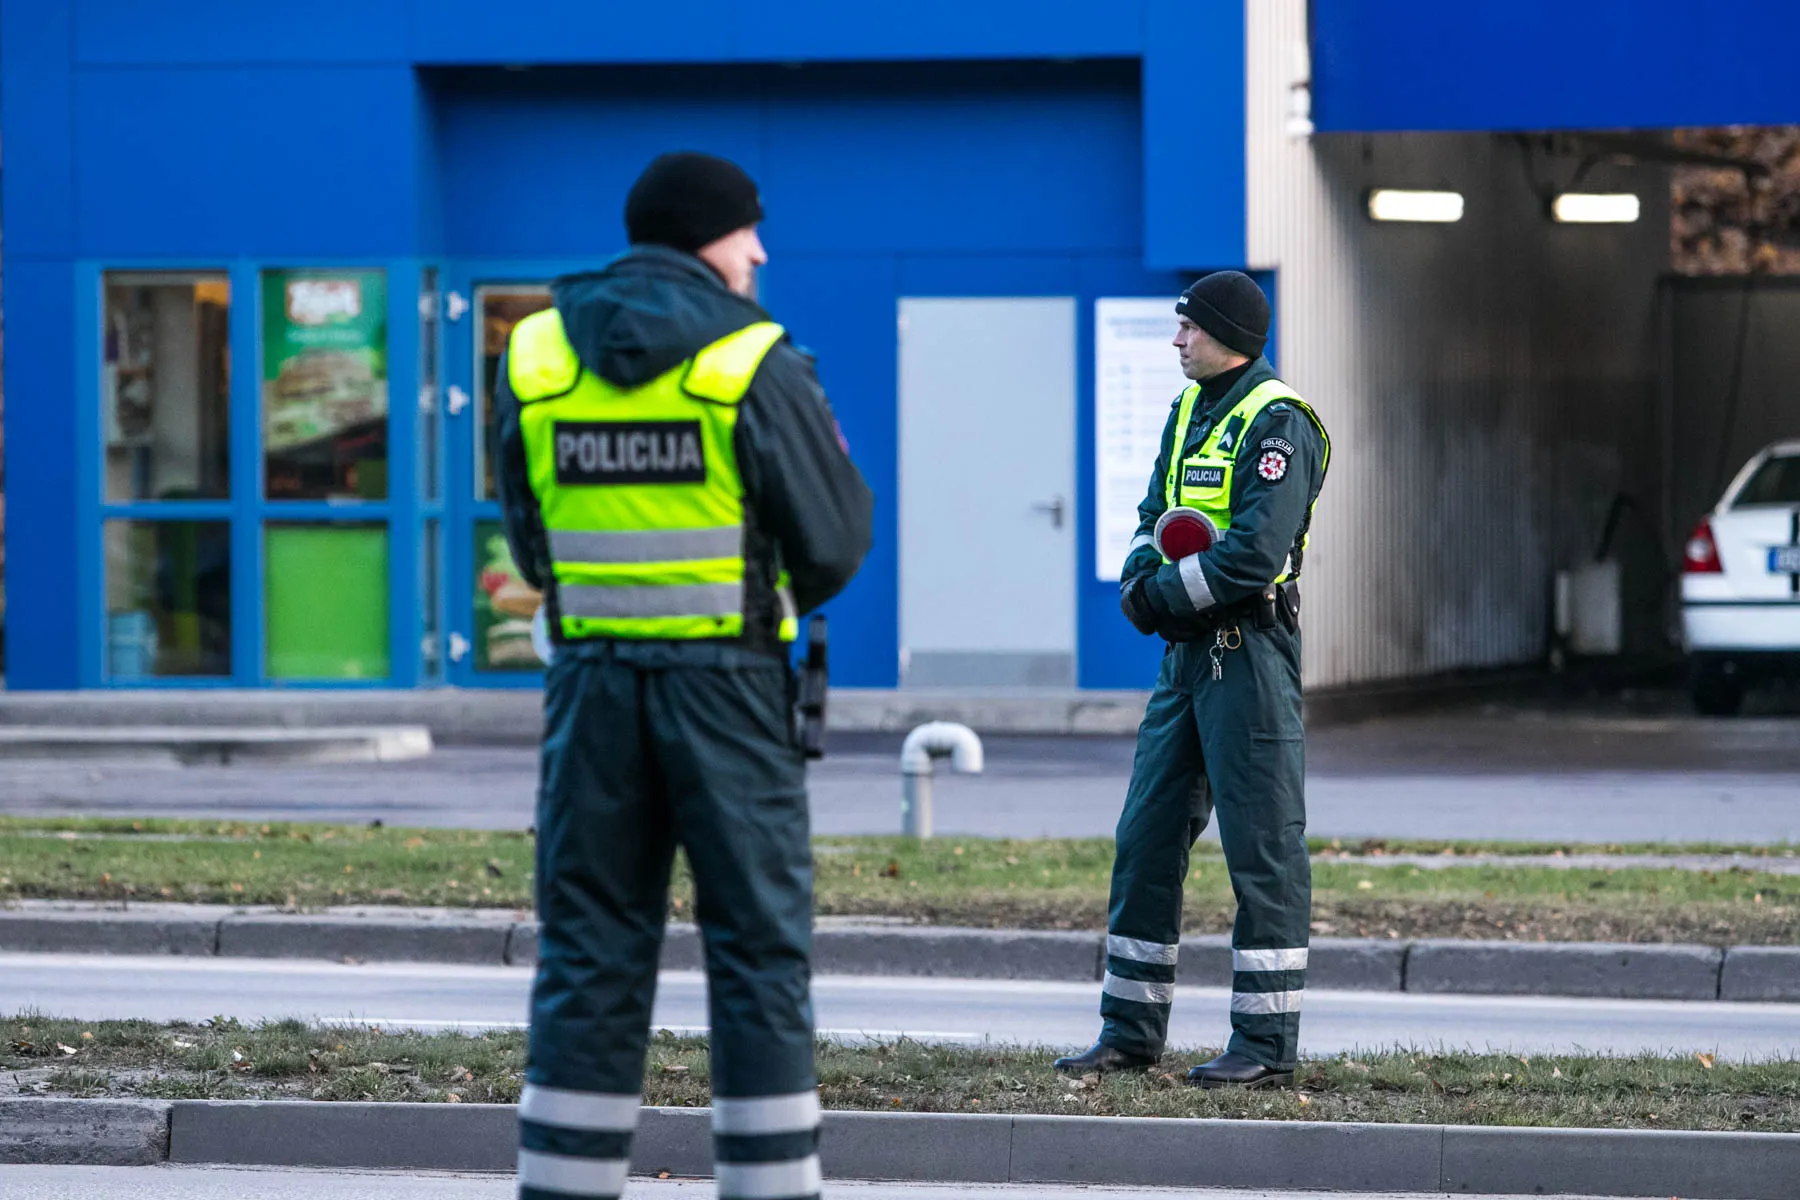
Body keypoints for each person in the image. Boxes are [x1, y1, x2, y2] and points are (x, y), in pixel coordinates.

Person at [494, 151, 874, 1200]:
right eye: (749, 229)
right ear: (709, 235)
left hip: (590, 691)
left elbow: (532, 549)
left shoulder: (532, 353)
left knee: (588, 948)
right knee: (755, 951)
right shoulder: (750, 357)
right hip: (731, 691)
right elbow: (836, 542)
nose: (759, 250)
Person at [1054, 271, 1330, 1089]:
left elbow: (1253, 553)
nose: (1176, 340)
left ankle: (1265, 1047)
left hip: (1248, 657)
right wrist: (1142, 584)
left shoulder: (1278, 422)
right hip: (1185, 662)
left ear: (1225, 335)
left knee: (1263, 849)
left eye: (1187, 329)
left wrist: (1165, 597)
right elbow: (1152, 517)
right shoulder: (1187, 412)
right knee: (1144, 838)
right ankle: (1129, 1033)